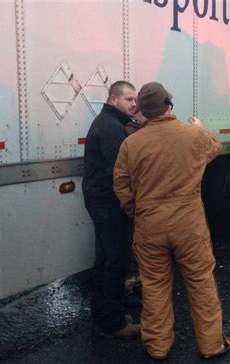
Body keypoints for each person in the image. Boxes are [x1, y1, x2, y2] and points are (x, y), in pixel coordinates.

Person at [113, 82, 230, 360]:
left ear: (142, 109)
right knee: (201, 282)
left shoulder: (131, 143)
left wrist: (137, 211)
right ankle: (212, 345)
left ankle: (157, 346)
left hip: (149, 225)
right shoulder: (193, 136)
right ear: (169, 103)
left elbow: (121, 185)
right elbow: (215, 147)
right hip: (188, 224)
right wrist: (200, 127)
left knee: (154, 286)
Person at [82, 80, 139, 336]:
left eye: (136, 100)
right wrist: (130, 203)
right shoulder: (111, 128)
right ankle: (114, 322)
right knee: (115, 261)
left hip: (101, 201)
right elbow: (120, 172)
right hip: (110, 204)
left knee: (105, 259)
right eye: (129, 99)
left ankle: (103, 312)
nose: (134, 104)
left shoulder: (110, 124)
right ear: (113, 100)